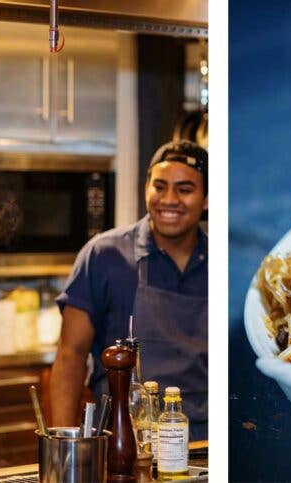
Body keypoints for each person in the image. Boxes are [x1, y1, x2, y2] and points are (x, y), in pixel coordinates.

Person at [49, 140, 209, 440]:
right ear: (146, 188)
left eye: (184, 189)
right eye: (159, 186)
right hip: (121, 443)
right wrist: (65, 449)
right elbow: (70, 355)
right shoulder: (103, 256)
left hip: (204, 443)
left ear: (206, 200)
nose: (169, 199)